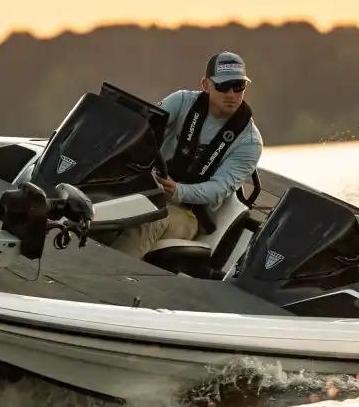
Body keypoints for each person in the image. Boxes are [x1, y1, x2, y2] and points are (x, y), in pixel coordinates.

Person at [111, 51, 263, 258]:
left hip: (188, 213)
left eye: (238, 86)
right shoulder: (181, 101)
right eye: (223, 86)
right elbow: (142, 130)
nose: (231, 94)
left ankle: (112, 275)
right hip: (145, 189)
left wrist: (178, 192)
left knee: (151, 218)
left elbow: (219, 189)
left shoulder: (250, 142)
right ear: (205, 85)